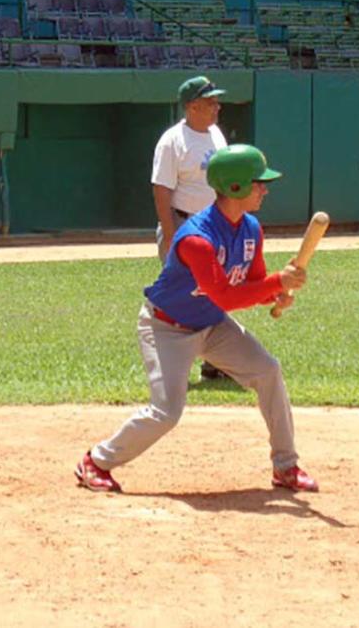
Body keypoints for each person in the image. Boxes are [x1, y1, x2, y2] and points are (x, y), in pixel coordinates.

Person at [76, 144, 318, 494]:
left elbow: (251, 286)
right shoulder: (196, 239)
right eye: (258, 183)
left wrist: (275, 293)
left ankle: (286, 467)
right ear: (234, 188)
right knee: (166, 412)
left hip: (212, 325)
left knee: (268, 370)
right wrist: (277, 282)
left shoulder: (250, 228)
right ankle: (96, 461)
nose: (264, 189)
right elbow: (225, 296)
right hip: (166, 327)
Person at [151, 75, 228, 380]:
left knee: (218, 292)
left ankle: (215, 362)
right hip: (184, 226)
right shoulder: (173, 141)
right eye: (210, 102)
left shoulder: (216, 134)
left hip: (214, 227)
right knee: (184, 296)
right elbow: (161, 190)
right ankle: (172, 365)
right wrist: (170, 236)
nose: (217, 107)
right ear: (192, 106)